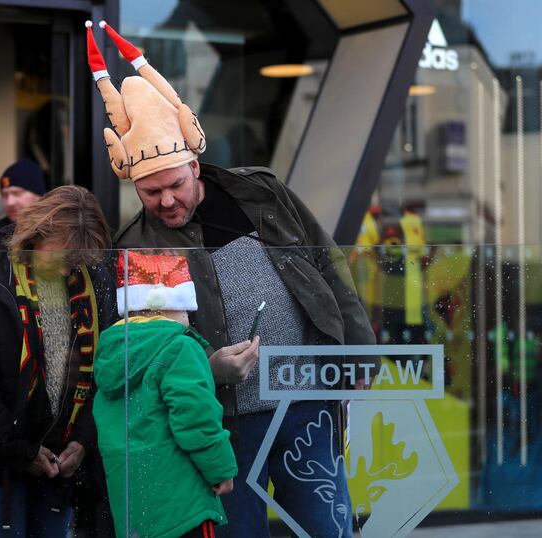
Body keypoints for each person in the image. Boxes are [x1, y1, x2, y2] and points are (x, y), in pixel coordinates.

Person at [86, 21, 376, 537]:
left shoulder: (260, 191)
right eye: (151, 193)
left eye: (174, 185)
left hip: (304, 394)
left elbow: (327, 263)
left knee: (326, 527)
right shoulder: (137, 244)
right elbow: (145, 349)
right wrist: (209, 367)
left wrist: (356, 348)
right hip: (225, 415)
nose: (166, 202)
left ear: (195, 166)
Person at [0, 185, 116, 537]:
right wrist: (22, 450)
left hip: (59, 461)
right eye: (61, 258)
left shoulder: (95, 278)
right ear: (35, 235)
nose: (67, 270)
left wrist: (84, 440)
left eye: (76, 262)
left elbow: (106, 370)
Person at [93, 251, 237, 538]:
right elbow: (196, 418)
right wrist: (220, 468)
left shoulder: (110, 353)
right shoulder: (180, 347)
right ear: (165, 308)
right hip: (182, 504)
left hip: (134, 509)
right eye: (186, 311)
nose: (188, 320)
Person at [0, 158, 46, 248]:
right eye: (4, 195)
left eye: (17, 193)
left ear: (39, 195)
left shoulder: (57, 230)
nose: (9, 202)